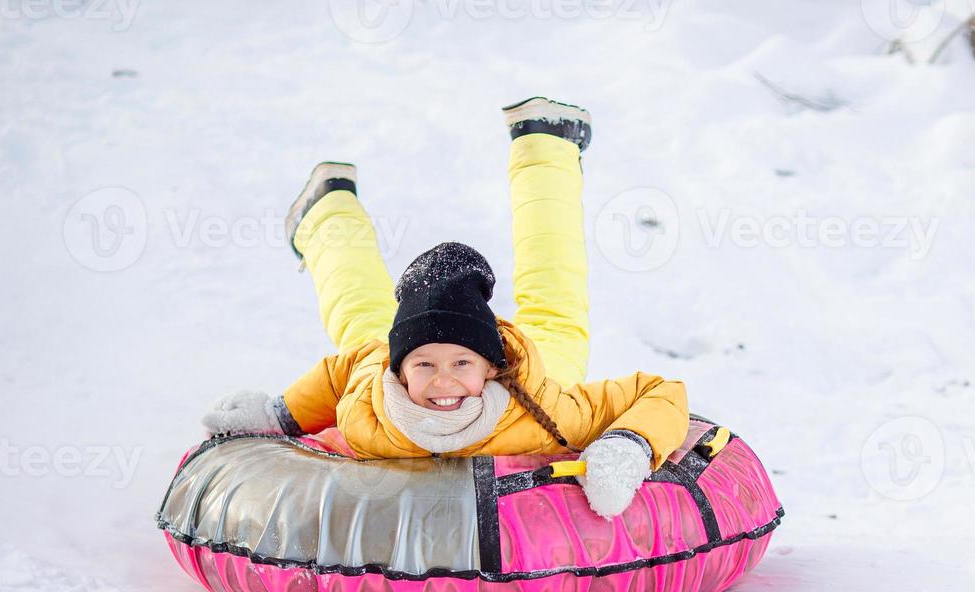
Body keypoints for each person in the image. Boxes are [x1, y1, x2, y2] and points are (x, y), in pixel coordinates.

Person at [201, 97, 687, 519]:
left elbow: (661, 392)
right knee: (363, 324)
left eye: (461, 365)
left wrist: (628, 447)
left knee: (556, 307)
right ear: (398, 371)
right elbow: (344, 369)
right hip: (402, 350)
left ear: (490, 367)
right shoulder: (371, 408)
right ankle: (325, 212)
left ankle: (547, 147)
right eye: (424, 366)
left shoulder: (546, 411)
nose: (443, 381)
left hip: (529, 382)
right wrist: (280, 414)